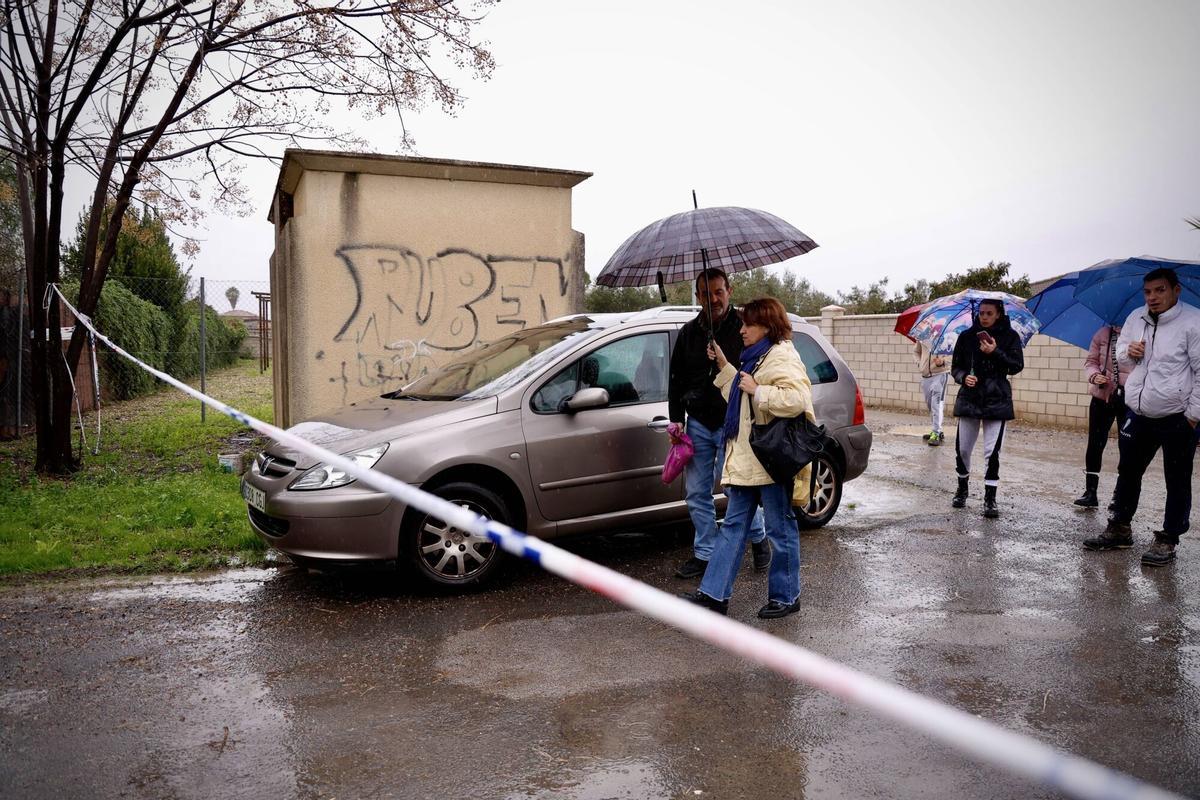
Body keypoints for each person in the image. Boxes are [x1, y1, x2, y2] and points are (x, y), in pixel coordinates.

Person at [681, 297, 811, 619]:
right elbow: (740, 405)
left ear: (767, 325)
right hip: (747, 462)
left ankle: (786, 596)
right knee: (733, 527)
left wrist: (758, 390)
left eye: (748, 324)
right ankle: (714, 595)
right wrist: (726, 367)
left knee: (779, 530)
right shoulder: (755, 358)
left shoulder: (781, 356)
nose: (742, 330)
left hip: (769, 463)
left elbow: (797, 399)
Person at [1083, 267, 1200, 566]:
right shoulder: (1137, 317)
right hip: (1139, 410)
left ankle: (1168, 538)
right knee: (1128, 470)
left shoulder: (1193, 322)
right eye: (1148, 292)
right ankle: (1120, 528)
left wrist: (1192, 416)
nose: (1153, 297)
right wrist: (1129, 351)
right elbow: (1121, 353)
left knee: (1177, 479)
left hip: (1177, 416)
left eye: (1160, 290)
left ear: (1176, 290)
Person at [668, 268, 769, 580]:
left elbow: (759, 372)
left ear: (729, 290)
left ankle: (759, 539)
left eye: (718, 291)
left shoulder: (745, 329)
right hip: (697, 423)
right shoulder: (688, 334)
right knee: (697, 493)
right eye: (705, 293)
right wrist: (676, 420)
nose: (712, 298)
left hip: (733, 423)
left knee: (736, 489)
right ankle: (705, 553)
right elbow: (675, 379)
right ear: (697, 296)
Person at [949, 298, 1024, 518]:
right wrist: (964, 377)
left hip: (997, 399)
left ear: (999, 313)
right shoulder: (966, 337)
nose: (984, 317)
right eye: (981, 313)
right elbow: (956, 367)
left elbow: (1016, 366)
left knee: (992, 451)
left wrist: (995, 351)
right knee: (963, 449)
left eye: (989, 313)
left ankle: (990, 498)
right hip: (970, 399)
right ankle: (962, 489)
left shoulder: (1011, 337)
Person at [1074, 323, 1126, 508]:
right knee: (1095, 443)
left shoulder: (1141, 332)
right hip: (1101, 396)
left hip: (1129, 398)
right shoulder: (1104, 333)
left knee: (1128, 446)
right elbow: (1091, 362)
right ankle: (1090, 492)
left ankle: (1120, 495)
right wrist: (1094, 376)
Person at [913, 341, 949, 446]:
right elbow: (916, 351)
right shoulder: (923, 336)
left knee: (936, 405)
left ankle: (936, 432)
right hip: (925, 376)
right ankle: (937, 429)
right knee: (930, 404)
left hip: (940, 374)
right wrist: (920, 363)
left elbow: (954, 356)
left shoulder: (947, 337)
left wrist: (943, 361)